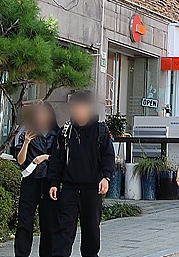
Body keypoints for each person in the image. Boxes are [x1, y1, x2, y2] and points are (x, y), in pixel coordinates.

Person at [48, 91, 114, 257]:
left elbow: (108, 156)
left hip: (92, 188)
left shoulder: (100, 130)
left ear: (87, 107)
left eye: (78, 106)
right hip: (69, 188)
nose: (75, 110)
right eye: (73, 106)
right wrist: (54, 183)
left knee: (91, 229)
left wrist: (106, 177)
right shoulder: (65, 131)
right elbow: (57, 159)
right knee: (63, 228)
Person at [15, 102, 60, 257]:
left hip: (49, 181)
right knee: (24, 222)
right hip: (30, 180)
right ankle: (21, 254)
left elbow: (62, 159)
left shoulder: (58, 134)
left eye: (44, 113)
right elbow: (20, 161)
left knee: (48, 224)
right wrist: (26, 142)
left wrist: (46, 157)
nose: (40, 116)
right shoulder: (26, 132)